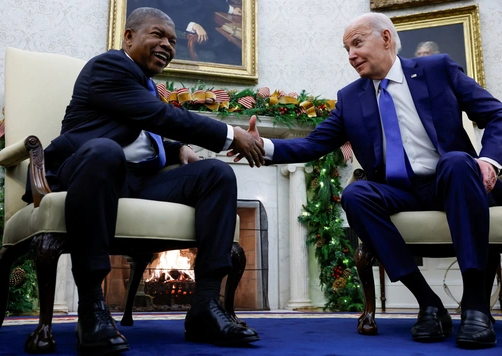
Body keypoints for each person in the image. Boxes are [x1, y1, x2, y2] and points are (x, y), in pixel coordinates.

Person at [233, 12, 502, 349]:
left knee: (458, 162)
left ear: (386, 39)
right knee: (357, 194)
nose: (351, 55)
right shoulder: (351, 98)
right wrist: (261, 146)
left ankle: (476, 306)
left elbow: (496, 114)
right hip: (400, 191)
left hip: (451, 181)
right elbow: (313, 144)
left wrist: (490, 160)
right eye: (346, 48)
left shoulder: (437, 69)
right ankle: (429, 302)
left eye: (357, 43)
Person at [33, 7, 264, 356]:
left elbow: (142, 132)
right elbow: (156, 117)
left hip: (139, 180)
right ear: (128, 36)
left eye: (172, 40)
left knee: (216, 173)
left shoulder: (146, 86)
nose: (167, 45)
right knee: (104, 152)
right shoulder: (108, 66)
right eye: (157, 34)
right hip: (91, 173)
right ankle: (92, 309)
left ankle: (204, 306)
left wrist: (178, 149)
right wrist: (231, 134)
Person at [127, 0, 242, 65]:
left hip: (203, 23)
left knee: (227, 42)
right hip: (180, 32)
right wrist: (191, 25)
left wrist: (230, 9)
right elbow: (156, 15)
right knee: (225, 51)